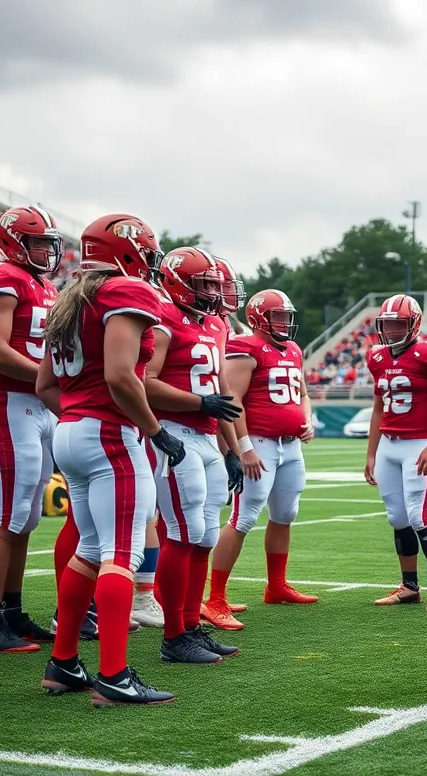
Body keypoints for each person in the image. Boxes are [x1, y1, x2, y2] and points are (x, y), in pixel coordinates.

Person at [36, 214, 184, 706]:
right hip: (108, 434)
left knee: (89, 549)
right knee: (121, 554)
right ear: (127, 251)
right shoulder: (125, 290)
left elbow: (44, 385)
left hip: (71, 431)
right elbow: (122, 376)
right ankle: (114, 676)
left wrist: (79, 418)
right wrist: (155, 430)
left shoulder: (68, 297)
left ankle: (63, 662)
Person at [0, 206, 61, 652]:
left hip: (34, 405)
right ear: (15, 242)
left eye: (48, 243)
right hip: (6, 401)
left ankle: (11, 610)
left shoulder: (43, 284)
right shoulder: (3, 276)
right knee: (5, 515)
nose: (46, 251)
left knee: (24, 518)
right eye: (38, 242)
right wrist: (51, 378)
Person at [145, 247, 243, 664]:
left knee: (204, 536)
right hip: (175, 432)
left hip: (206, 436)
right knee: (182, 533)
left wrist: (233, 449)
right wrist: (199, 403)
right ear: (178, 282)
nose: (212, 293)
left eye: (214, 285)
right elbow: (145, 381)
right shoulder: (163, 318)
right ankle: (173, 637)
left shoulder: (215, 324)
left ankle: (190, 624)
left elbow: (220, 395)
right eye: (204, 284)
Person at [203, 289, 317, 630]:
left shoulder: (293, 349)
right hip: (260, 444)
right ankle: (215, 598)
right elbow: (232, 399)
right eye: (277, 316)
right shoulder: (246, 347)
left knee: (285, 514)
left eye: (286, 316)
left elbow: (303, 394)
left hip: (290, 446)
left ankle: (276, 586)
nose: (284, 322)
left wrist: (307, 419)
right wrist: (245, 448)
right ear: (258, 318)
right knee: (243, 517)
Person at [363, 294, 427, 613]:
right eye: (387, 325)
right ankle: (410, 586)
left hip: (418, 444)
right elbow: (378, 408)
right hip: (388, 445)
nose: (390, 331)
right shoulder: (377, 357)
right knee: (398, 518)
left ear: (413, 324)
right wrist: (371, 454)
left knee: (419, 516)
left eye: (398, 324)